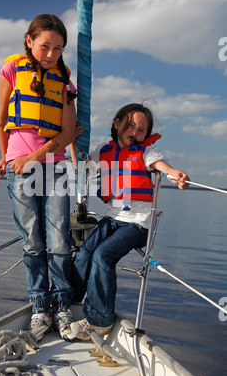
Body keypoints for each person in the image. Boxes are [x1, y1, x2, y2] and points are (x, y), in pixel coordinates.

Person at [68, 103, 190, 341]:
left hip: (138, 224)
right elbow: (80, 168)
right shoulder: (103, 150)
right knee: (84, 252)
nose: (135, 131)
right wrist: (72, 141)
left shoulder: (147, 153)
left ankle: (99, 321)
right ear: (117, 124)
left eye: (142, 129)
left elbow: (163, 167)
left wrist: (178, 176)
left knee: (103, 256)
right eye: (131, 125)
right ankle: (71, 303)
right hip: (113, 219)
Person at [0, 14, 77, 340]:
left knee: (59, 242)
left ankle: (62, 307)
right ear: (29, 41)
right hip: (19, 168)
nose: (51, 54)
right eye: (45, 46)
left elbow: (68, 132)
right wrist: (6, 157)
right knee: (33, 241)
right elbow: (1, 120)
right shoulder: (12, 70)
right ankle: (40, 307)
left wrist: (32, 156)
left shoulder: (64, 81)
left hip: (53, 167)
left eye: (58, 49)